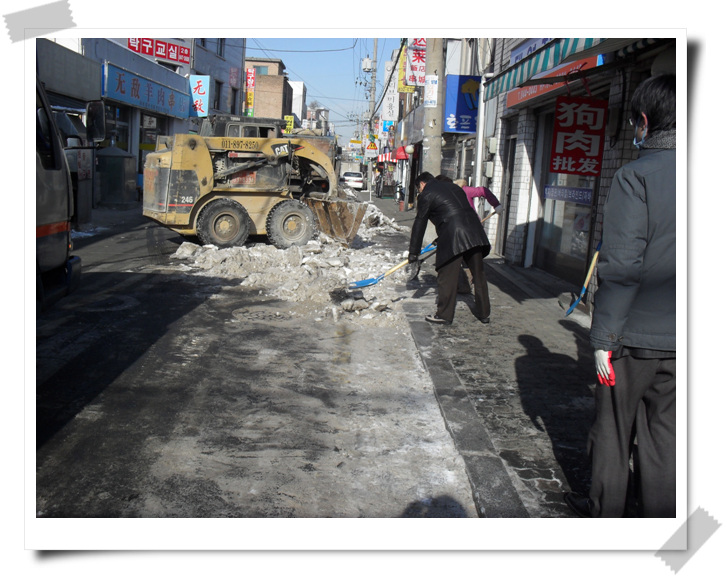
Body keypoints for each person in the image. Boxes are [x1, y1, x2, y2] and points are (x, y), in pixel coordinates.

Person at [565, 74, 677, 518]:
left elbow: (623, 265)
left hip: (632, 339)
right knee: (665, 438)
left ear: (644, 123)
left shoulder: (636, 176)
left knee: (613, 431)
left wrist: (603, 340)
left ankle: (606, 520)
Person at [408, 172, 492, 325]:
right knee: (479, 275)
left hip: (454, 236)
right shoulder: (453, 187)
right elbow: (454, 212)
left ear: (421, 184)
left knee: (446, 275)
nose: (419, 192)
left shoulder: (427, 194)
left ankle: (444, 315)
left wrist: (413, 252)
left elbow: (420, 223)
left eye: (418, 189)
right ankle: (484, 313)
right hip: (474, 231)